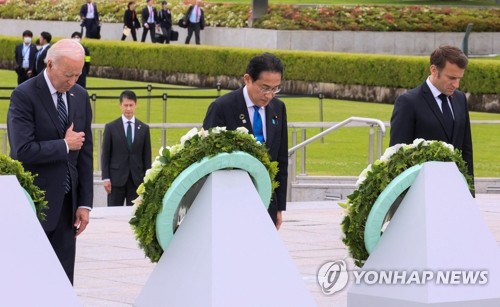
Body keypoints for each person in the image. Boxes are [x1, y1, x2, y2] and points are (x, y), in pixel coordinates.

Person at [7, 39, 93, 284]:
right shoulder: (24, 95)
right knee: (31, 280)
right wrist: (64, 145)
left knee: (63, 281)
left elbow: (85, 154)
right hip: (36, 204)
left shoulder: (80, 96)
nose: (73, 81)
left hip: (68, 207)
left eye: (78, 74)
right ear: (50, 64)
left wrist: (85, 203)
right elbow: (22, 150)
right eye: (68, 74)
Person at [203, 53, 288, 229]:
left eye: (275, 89)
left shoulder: (278, 108)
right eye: (264, 88)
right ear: (247, 79)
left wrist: (279, 207)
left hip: (266, 199)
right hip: (228, 200)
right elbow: (208, 160)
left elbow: (280, 159)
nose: (269, 95)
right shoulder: (222, 107)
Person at [390, 44, 474, 178]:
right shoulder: (408, 102)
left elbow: (466, 150)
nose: (456, 84)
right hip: (421, 190)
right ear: (434, 70)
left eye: (459, 79)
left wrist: (469, 193)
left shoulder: (460, 99)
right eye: (452, 78)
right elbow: (397, 156)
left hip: (455, 188)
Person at [101, 90, 152, 207]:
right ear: (120, 106)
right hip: (116, 180)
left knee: (134, 215)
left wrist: (147, 180)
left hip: (136, 180)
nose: (128, 109)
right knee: (113, 214)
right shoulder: (111, 127)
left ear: (136, 105)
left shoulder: (144, 128)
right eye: (125, 105)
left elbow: (146, 156)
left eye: (131, 105)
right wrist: (106, 178)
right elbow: (106, 155)